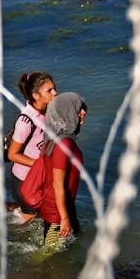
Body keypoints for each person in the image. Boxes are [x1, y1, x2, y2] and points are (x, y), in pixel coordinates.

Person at [36, 92, 87, 249]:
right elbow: (58, 184)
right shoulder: (63, 144)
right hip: (57, 213)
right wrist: (64, 218)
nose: (83, 112)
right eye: (78, 108)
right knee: (49, 255)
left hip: (61, 206)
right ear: (68, 111)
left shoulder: (58, 138)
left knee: (64, 249)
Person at [7, 71, 58, 222]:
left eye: (54, 88)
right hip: (24, 180)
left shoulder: (48, 111)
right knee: (30, 216)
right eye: (49, 91)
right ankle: (11, 239)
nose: (55, 93)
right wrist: (39, 165)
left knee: (37, 210)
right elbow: (12, 155)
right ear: (36, 95)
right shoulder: (26, 121)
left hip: (39, 177)